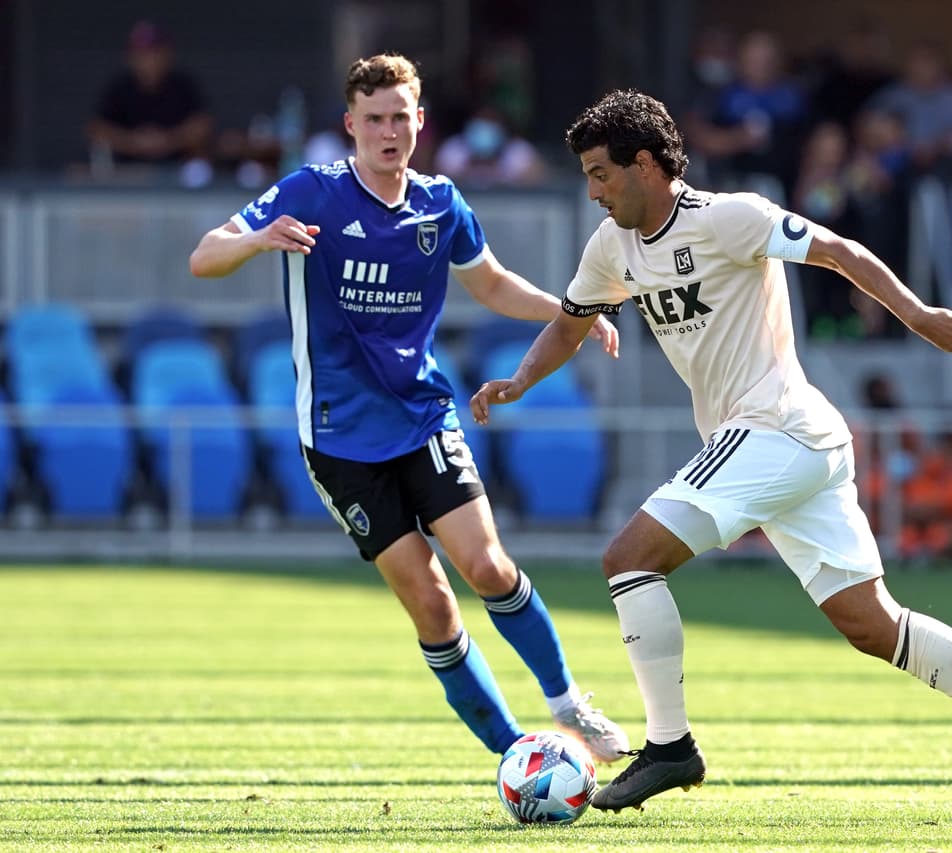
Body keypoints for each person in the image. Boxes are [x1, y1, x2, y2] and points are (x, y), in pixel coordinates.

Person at [470, 89, 952, 821]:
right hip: (785, 445)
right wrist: (519, 380)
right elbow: (572, 322)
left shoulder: (731, 216)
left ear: (644, 164)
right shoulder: (612, 247)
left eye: (601, 174)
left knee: (628, 558)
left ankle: (670, 746)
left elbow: (839, 251)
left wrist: (920, 316)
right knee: (872, 624)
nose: (593, 192)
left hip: (777, 428)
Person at [188, 54, 628, 765]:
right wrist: (257, 238)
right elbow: (203, 257)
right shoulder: (312, 192)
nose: (389, 132)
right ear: (351, 126)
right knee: (433, 605)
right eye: (375, 120)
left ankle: (569, 701)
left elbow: (492, 285)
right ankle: (518, 754)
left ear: (420, 122)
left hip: (422, 418)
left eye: (401, 117)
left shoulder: (441, 203)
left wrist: (574, 310)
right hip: (338, 441)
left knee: (487, 567)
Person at [87, 20, 213, 176]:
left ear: (167, 54)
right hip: (129, 172)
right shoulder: (119, 88)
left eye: (155, 52)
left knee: (200, 169)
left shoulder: (182, 85)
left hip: (178, 170)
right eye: (142, 53)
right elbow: (97, 130)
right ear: (131, 57)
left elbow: (202, 126)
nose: (149, 60)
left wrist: (167, 140)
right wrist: (134, 142)